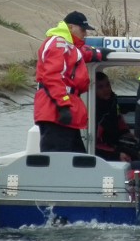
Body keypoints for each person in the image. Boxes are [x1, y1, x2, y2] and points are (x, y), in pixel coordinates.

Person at [34, 11, 111, 152]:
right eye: (82, 30)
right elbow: (52, 76)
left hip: (65, 109)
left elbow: (81, 53)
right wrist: (63, 106)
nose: (85, 34)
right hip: (56, 110)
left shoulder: (69, 46)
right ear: (70, 27)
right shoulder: (58, 43)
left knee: (76, 157)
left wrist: (98, 53)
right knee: (59, 159)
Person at [94, 71, 138, 161]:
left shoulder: (112, 102)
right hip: (103, 151)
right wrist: (117, 154)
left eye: (107, 85)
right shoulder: (95, 111)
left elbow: (119, 120)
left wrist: (127, 133)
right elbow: (94, 144)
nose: (106, 89)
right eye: (100, 87)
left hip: (115, 143)